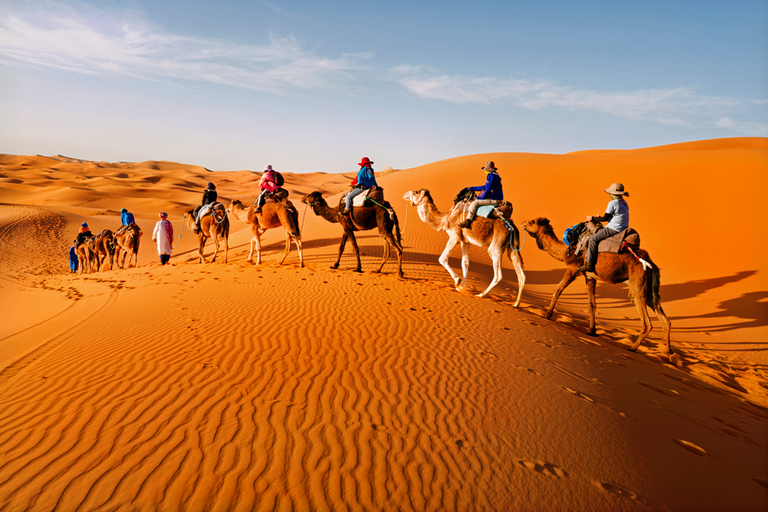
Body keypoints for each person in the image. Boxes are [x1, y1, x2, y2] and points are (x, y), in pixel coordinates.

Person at [577, 183, 630, 273]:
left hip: (614, 228)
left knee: (593, 239)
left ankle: (589, 264)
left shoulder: (612, 203)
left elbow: (605, 218)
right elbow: (615, 215)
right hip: (623, 227)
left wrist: (592, 218)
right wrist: (598, 217)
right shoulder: (623, 202)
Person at [457, 161, 503, 229]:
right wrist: (471, 188)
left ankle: (468, 220)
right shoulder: (495, 175)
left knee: (475, 203)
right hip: (496, 198)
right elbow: (484, 187)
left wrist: (481, 198)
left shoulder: (491, 176)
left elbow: (487, 189)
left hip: (495, 199)